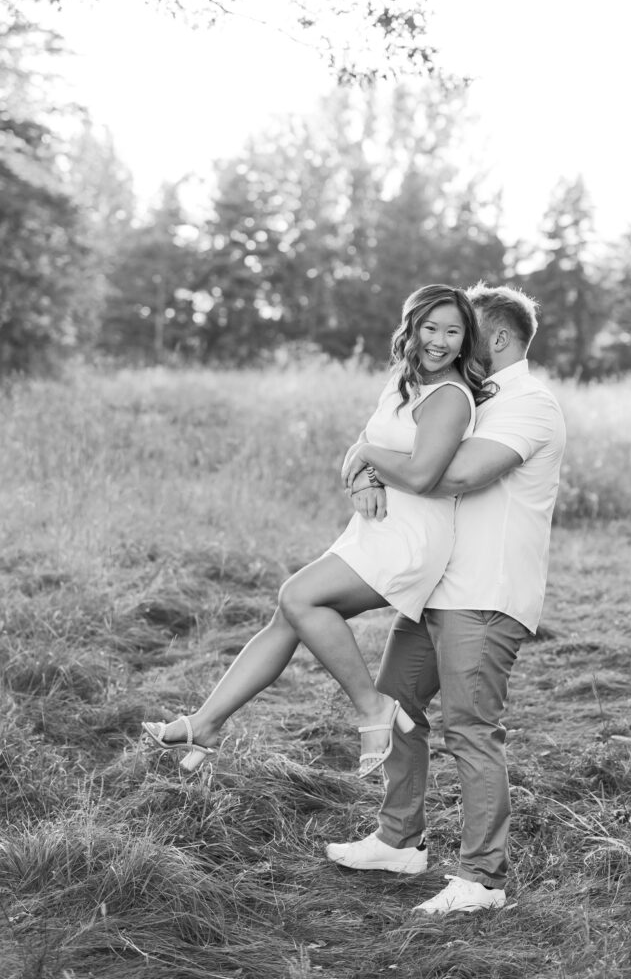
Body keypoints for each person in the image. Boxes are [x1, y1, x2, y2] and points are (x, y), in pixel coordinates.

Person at [142, 284, 494, 777]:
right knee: (288, 617)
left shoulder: (450, 397)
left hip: (411, 538)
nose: (439, 341)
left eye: (452, 332)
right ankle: (204, 724)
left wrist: (366, 458)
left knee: (298, 597)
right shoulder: (405, 381)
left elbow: (419, 474)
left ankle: (373, 707)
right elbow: (366, 447)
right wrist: (363, 476)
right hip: (375, 529)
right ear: (411, 329)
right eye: (430, 328)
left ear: (465, 338)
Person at [325, 283, 566, 915]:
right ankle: (398, 840)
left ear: (498, 337)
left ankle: (482, 880)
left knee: (471, 728)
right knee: (397, 703)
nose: (450, 341)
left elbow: (451, 474)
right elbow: (412, 448)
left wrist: (369, 455)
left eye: (466, 330)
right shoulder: (469, 394)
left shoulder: (530, 404)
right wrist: (369, 468)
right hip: (438, 586)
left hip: (485, 592)